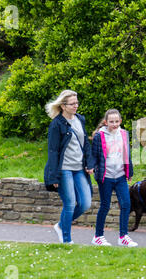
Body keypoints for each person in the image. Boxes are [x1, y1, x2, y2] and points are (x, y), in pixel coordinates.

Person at [44, 90, 93, 244]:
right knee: (70, 203)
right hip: (63, 169)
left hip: (79, 168)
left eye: (77, 103)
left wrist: (90, 163)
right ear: (63, 106)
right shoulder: (56, 124)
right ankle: (66, 240)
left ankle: (60, 225)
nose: (76, 106)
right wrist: (53, 176)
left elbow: (86, 144)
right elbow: (52, 151)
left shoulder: (80, 119)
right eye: (72, 104)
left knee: (85, 203)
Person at [87, 109, 138, 247]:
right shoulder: (99, 136)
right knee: (105, 206)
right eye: (111, 122)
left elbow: (127, 154)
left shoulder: (124, 134)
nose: (114, 124)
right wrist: (90, 166)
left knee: (126, 204)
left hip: (120, 175)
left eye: (117, 121)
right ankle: (98, 236)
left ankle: (123, 236)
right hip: (106, 177)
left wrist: (129, 172)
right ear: (106, 122)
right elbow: (94, 155)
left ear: (120, 121)